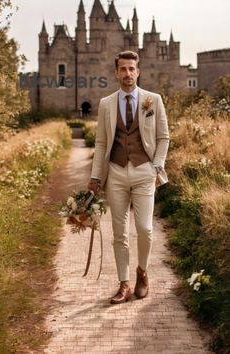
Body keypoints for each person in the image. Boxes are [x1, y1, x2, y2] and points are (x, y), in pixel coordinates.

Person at [88, 50, 169, 304]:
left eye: (132, 69)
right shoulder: (106, 104)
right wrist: (95, 177)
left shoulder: (153, 100)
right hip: (116, 172)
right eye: (123, 69)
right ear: (116, 72)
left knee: (145, 229)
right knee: (119, 232)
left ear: (138, 70)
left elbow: (163, 137)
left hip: (145, 171)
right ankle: (123, 283)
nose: (127, 74)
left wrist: (156, 166)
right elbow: (101, 143)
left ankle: (142, 272)